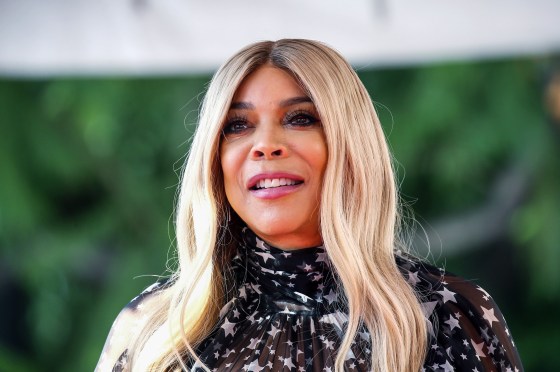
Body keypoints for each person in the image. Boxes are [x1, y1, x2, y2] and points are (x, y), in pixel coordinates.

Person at [96, 39, 523, 372]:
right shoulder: (153, 330)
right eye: (237, 126)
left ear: (351, 145)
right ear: (214, 158)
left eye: (300, 118)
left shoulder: (447, 316)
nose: (265, 145)